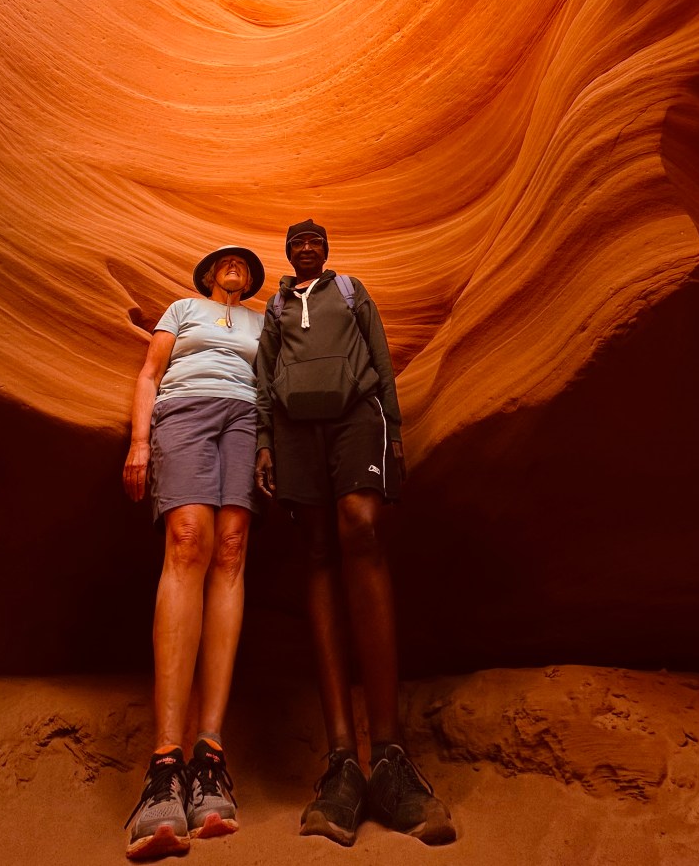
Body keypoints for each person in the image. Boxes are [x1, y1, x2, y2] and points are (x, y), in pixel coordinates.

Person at [254, 220, 455, 847]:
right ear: (289, 252)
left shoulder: (350, 291)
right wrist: (264, 442)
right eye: (297, 243)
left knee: (361, 528)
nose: (306, 249)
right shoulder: (277, 305)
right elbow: (263, 376)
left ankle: (390, 756)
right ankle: (342, 763)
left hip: (356, 416)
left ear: (326, 249)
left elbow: (381, 356)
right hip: (295, 426)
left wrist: (393, 429)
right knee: (317, 551)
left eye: (315, 241)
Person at [122, 243, 266, 861]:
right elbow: (149, 373)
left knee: (231, 550)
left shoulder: (262, 320)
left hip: (245, 420)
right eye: (225, 261)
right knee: (187, 542)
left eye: (244, 263)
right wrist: (139, 441)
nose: (234, 266)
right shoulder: (182, 310)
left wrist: (270, 446)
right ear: (207, 274)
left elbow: (272, 383)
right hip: (184, 410)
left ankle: (209, 757)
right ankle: (164, 763)